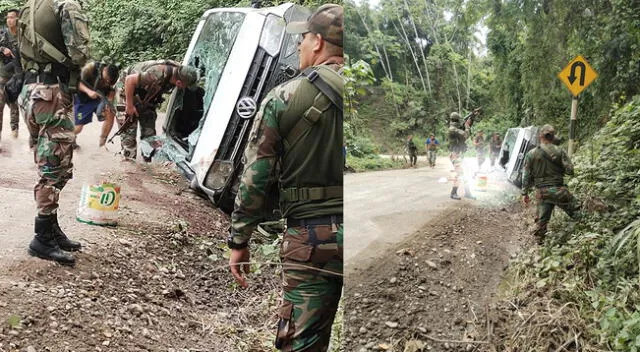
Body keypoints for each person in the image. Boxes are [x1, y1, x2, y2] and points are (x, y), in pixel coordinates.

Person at [228, 4, 344, 351]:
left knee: (302, 342)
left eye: (303, 38)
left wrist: (239, 240)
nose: (299, 46)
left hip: (313, 238)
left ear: (319, 42)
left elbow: (256, 177)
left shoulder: (285, 97)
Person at [17, 0, 91, 265]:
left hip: (30, 92)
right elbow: (80, 52)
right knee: (53, 168)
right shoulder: (67, 5)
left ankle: (51, 228)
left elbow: (22, 49)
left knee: (57, 163)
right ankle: (41, 238)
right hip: (51, 94)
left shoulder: (30, 5)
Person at [114, 60, 198, 161]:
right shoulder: (157, 73)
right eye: (186, 86)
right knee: (129, 132)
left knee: (149, 134)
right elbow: (129, 80)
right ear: (179, 83)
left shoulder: (182, 71)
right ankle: (128, 163)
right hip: (126, 89)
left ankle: (148, 162)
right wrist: (130, 105)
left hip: (145, 95)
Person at [521, 124, 580, 244]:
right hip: (559, 191)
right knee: (579, 214)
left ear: (540, 136)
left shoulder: (531, 154)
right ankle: (586, 236)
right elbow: (570, 171)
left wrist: (524, 193)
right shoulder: (560, 150)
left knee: (541, 224)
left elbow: (526, 175)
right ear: (553, 136)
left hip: (542, 194)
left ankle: (540, 247)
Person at [73, 60, 119, 148]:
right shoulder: (90, 68)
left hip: (99, 99)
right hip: (83, 99)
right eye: (106, 80)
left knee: (110, 113)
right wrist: (88, 91)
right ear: (104, 70)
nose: (107, 83)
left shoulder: (114, 77)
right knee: (78, 128)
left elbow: (111, 92)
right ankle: (68, 138)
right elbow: (76, 82)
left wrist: (109, 102)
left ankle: (102, 144)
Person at [447, 110, 478, 200]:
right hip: (455, 154)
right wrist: (467, 126)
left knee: (465, 173)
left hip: (459, 154)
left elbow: (464, 130)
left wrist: (471, 119)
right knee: (460, 173)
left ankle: (467, 193)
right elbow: (465, 135)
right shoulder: (452, 129)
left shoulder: (455, 128)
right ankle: (453, 193)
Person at [0, 9, 20, 140]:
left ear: (18, 19)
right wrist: (3, 49)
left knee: (13, 103)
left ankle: (14, 128)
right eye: (8, 18)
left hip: (16, 74)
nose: (9, 20)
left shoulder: (23, 35)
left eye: (12, 17)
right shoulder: (3, 34)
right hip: (3, 73)